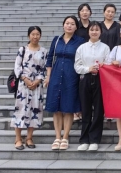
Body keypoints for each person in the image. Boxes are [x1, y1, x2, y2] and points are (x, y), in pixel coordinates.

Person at [44, 15, 85, 151]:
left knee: (68, 107)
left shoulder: (80, 41)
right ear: (63, 25)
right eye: (67, 23)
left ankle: (65, 137)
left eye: (72, 24)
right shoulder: (56, 40)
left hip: (71, 76)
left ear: (76, 27)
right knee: (56, 107)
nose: (69, 26)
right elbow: (50, 58)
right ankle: (57, 137)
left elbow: (82, 59)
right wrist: (48, 76)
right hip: (56, 75)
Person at [74, 22, 110, 152]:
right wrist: (88, 69)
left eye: (97, 30)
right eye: (92, 30)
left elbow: (108, 63)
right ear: (88, 32)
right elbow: (77, 66)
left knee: (99, 110)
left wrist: (102, 67)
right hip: (85, 78)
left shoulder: (105, 48)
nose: (94, 32)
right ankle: (84, 140)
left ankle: (94, 139)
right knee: (86, 110)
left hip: (100, 79)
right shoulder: (82, 48)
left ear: (101, 32)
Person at [12, 26, 47, 150]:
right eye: (33, 34)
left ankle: (29, 138)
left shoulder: (44, 51)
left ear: (40, 36)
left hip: (37, 86)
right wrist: (25, 79)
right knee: (21, 110)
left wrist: (37, 80)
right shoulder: (23, 49)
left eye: (37, 34)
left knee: (35, 110)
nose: (35, 36)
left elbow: (45, 69)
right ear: (28, 36)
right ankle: (18, 139)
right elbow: (17, 66)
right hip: (23, 85)